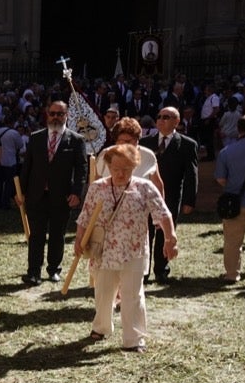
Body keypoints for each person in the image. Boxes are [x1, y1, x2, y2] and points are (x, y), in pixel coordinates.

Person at [75, 145, 177, 352]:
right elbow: (84, 216)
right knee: (103, 292)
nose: (121, 174)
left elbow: (163, 214)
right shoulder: (98, 187)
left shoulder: (144, 187)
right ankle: (101, 327)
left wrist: (170, 238)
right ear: (108, 167)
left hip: (134, 250)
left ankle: (134, 338)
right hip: (103, 251)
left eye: (127, 169)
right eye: (116, 169)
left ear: (134, 167)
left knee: (133, 294)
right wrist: (79, 240)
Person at [18, 101, 87, 285]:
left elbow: (81, 169)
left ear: (67, 116)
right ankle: (33, 272)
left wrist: (77, 193)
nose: (55, 117)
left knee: (57, 235)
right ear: (47, 115)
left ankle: (54, 269)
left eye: (60, 113)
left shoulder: (76, 140)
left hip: (62, 196)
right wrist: (21, 192)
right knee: (36, 236)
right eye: (52, 113)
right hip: (36, 195)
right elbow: (27, 167)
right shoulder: (36, 137)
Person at [140, 107, 198, 283]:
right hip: (145, 197)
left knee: (165, 233)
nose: (161, 120)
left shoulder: (187, 145)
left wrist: (189, 200)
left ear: (177, 121)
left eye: (166, 117)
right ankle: (144, 271)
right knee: (146, 233)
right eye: (159, 117)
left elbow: (191, 175)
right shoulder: (144, 142)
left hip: (170, 197)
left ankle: (161, 269)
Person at [215, 115, 245, 283]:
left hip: (236, 202)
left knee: (232, 241)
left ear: (238, 129)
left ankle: (232, 274)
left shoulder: (227, 151)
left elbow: (221, 179)